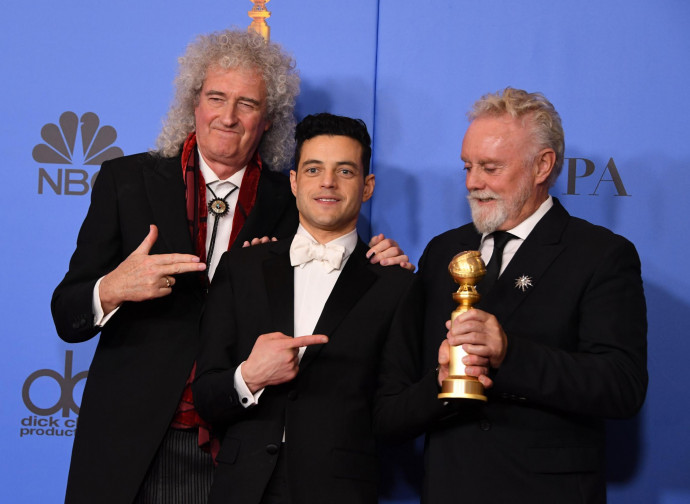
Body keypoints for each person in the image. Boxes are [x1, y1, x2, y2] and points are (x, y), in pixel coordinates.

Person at [51, 31, 409, 504]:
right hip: (132, 435)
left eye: (247, 103)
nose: (228, 116)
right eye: (216, 97)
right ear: (193, 103)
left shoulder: (297, 195)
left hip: (249, 447)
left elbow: (339, 276)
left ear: (269, 119)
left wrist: (383, 260)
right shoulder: (128, 181)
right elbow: (67, 313)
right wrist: (112, 287)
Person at [192, 113, 448, 504]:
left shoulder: (396, 286)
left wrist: (443, 381)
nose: (327, 182)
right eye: (313, 169)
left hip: (340, 491)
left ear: (367, 187)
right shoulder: (241, 267)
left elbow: (392, 417)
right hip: (240, 489)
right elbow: (206, 395)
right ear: (294, 182)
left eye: (345, 171)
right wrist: (250, 376)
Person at [409, 88, 648, 503]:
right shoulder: (441, 252)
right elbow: (403, 382)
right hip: (450, 486)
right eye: (467, 166)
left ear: (543, 165)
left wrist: (510, 354)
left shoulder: (601, 255)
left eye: (490, 167)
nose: (472, 182)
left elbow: (621, 385)